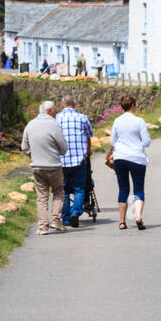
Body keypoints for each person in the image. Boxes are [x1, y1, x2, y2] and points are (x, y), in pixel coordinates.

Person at [21, 100, 69, 234]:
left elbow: (24, 147)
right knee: (58, 191)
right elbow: (63, 148)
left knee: (41, 197)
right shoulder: (54, 125)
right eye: (55, 110)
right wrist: (55, 152)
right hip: (53, 165)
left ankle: (42, 227)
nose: (57, 112)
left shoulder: (30, 124)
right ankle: (55, 219)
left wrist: (34, 155)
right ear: (49, 111)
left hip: (37, 166)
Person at [109, 93, 151, 230]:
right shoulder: (139, 121)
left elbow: (112, 141)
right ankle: (138, 216)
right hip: (137, 158)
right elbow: (146, 142)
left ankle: (122, 221)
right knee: (138, 189)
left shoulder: (117, 121)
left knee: (123, 189)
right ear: (133, 105)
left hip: (120, 158)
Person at [56, 94, 94, 227]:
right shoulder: (82, 118)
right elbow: (89, 137)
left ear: (62, 105)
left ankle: (66, 219)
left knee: (64, 190)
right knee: (79, 189)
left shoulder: (57, 119)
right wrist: (88, 152)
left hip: (61, 160)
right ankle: (75, 213)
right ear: (75, 103)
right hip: (79, 160)